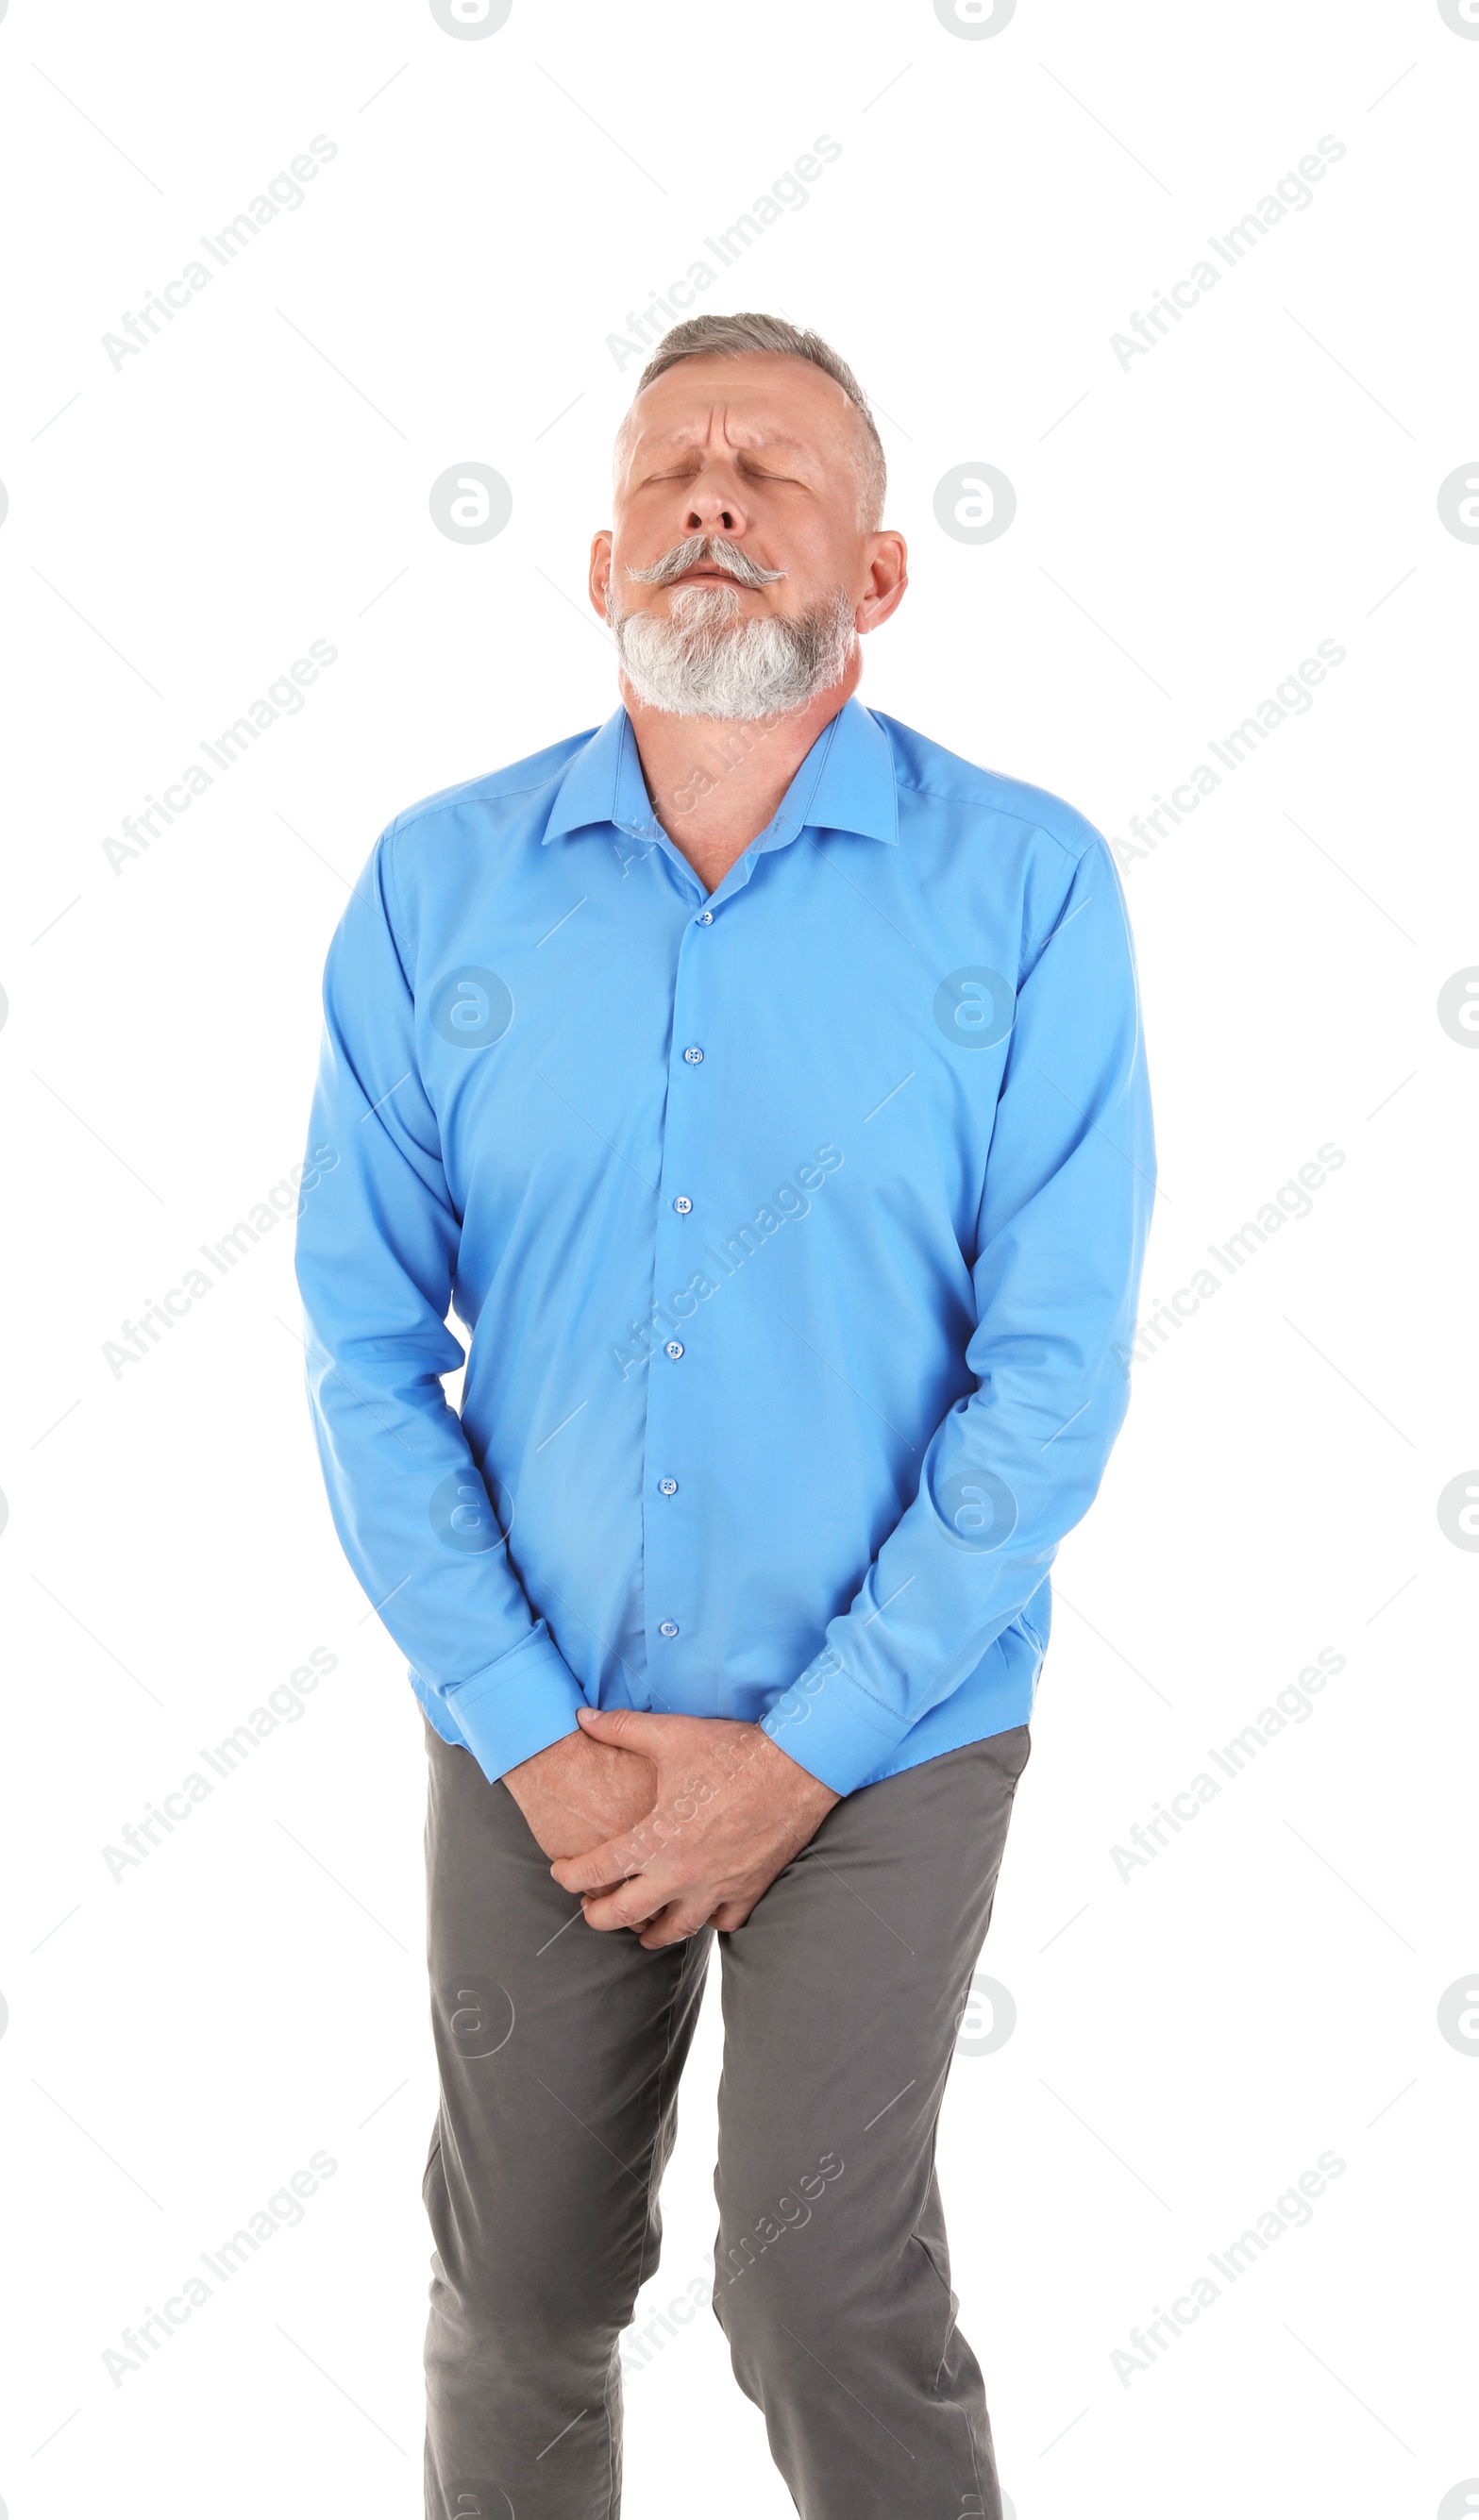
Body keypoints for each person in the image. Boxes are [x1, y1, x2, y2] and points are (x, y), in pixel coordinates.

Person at [294, 310, 1153, 2520]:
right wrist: (514, 1712)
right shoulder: (432, 887)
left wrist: (800, 1755)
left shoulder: (1030, 887)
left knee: (816, 2286)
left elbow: (1047, 1376)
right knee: (520, 2286)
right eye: (672, 465)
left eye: (773, 472)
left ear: (872, 580)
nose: (711, 494)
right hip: (536, 1729)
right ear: (597, 568)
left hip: (892, 1727)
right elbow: (362, 1346)